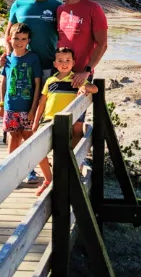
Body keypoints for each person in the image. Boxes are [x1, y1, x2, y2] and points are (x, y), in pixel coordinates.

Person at [2, 0, 61, 182]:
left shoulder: (57, 6)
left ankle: (42, 163)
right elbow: (8, 33)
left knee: (38, 120)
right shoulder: (19, 4)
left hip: (47, 69)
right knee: (20, 119)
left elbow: (65, 35)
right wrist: (8, 56)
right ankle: (26, 168)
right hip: (21, 70)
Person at [31, 47, 98, 195]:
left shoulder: (76, 79)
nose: (64, 63)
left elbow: (95, 89)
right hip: (48, 120)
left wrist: (83, 88)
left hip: (66, 122)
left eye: (68, 60)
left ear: (73, 62)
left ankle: (62, 182)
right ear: (55, 63)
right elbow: (42, 103)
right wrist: (35, 123)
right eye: (60, 61)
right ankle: (48, 179)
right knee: (37, 150)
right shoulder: (50, 81)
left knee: (60, 153)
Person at [56, 0, 108, 146]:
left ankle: (74, 167)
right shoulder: (60, 10)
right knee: (58, 120)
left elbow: (102, 44)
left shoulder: (93, 8)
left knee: (77, 124)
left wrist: (86, 71)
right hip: (61, 73)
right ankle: (62, 159)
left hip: (81, 75)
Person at [0, 23, 42, 165]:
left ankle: (30, 169)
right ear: (10, 39)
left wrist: (33, 109)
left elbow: (37, 84)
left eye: (24, 39)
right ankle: (9, 166)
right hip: (10, 107)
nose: (20, 42)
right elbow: (4, 82)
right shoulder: (8, 59)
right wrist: (2, 104)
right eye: (16, 39)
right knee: (13, 136)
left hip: (27, 107)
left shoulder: (33, 58)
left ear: (29, 40)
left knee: (28, 137)